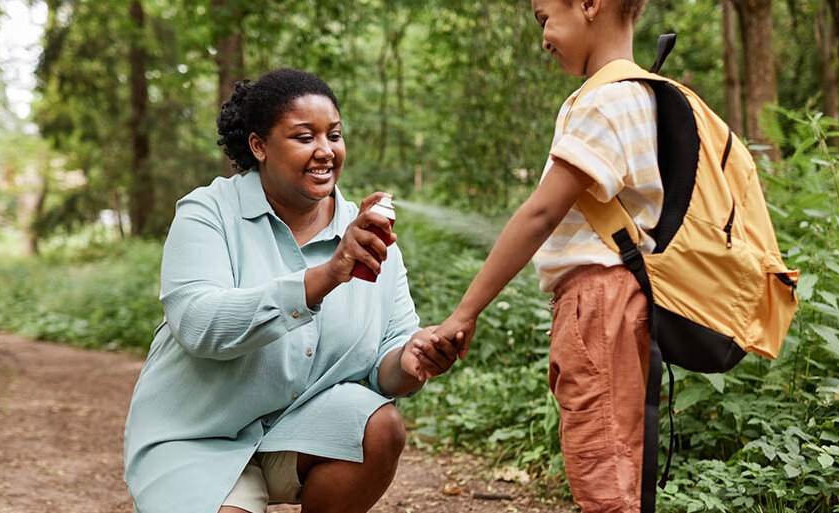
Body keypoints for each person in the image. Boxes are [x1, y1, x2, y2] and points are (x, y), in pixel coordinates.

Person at [122, 68, 461, 513]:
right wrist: (327, 274)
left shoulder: (370, 234)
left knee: (379, 425)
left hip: (299, 433)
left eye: (334, 135)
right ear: (258, 146)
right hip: (198, 438)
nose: (326, 151)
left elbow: (387, 364)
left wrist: (412, 358)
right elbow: (200, 324)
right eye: (305, 137)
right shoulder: (208, 213)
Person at [424, 0, 657, 511]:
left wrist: (465, 312)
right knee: (619, 460)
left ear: (590, 5)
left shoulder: (604, 102)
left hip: (598, 301)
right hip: (622, 299)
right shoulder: (643, 93)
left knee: (603, 470)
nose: (543, 38)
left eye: (543, 18)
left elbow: (539, 216)